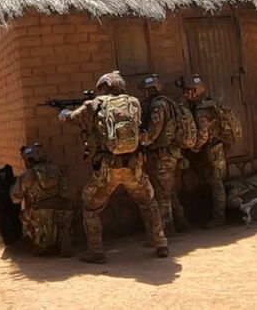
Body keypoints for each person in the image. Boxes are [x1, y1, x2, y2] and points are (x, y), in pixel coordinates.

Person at [59, 71, 168, 262]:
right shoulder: (133, 102)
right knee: (149, 202)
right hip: (134, 168)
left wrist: (63, 112)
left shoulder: (95, 105)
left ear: (103, 87)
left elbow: (72, 119)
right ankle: (160, 243)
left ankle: (96, 252)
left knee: (91, 207)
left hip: (106, 170)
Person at [179, 74, 242, 227]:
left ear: (196, 91)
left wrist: (193, 148)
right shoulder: (206, 104)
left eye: (189, 91)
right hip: (212, 148)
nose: (186, 95)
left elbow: (203, 134)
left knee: (215, 182)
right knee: (211, 180)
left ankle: (219, 217)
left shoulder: (202, 110)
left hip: (213, 149)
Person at [140, 74, 192, 234]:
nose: (144, 94)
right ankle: (182, 222)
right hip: (171, 152)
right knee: (169, 190)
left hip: (164, 154)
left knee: (163, 194)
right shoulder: (168, 102)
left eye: (145, 91)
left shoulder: (158, 106)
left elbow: (154, 131)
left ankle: (168, 228)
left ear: (150, 90)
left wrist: (142, 141)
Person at [9, 143, 74, 256]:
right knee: (54, 217)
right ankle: (61, 232)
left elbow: (16, 199)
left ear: (29, 160)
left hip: (43, 212)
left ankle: (39, 243)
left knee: (24, 216)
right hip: (66, 208)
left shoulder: (28, 175)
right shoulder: (57, 169)